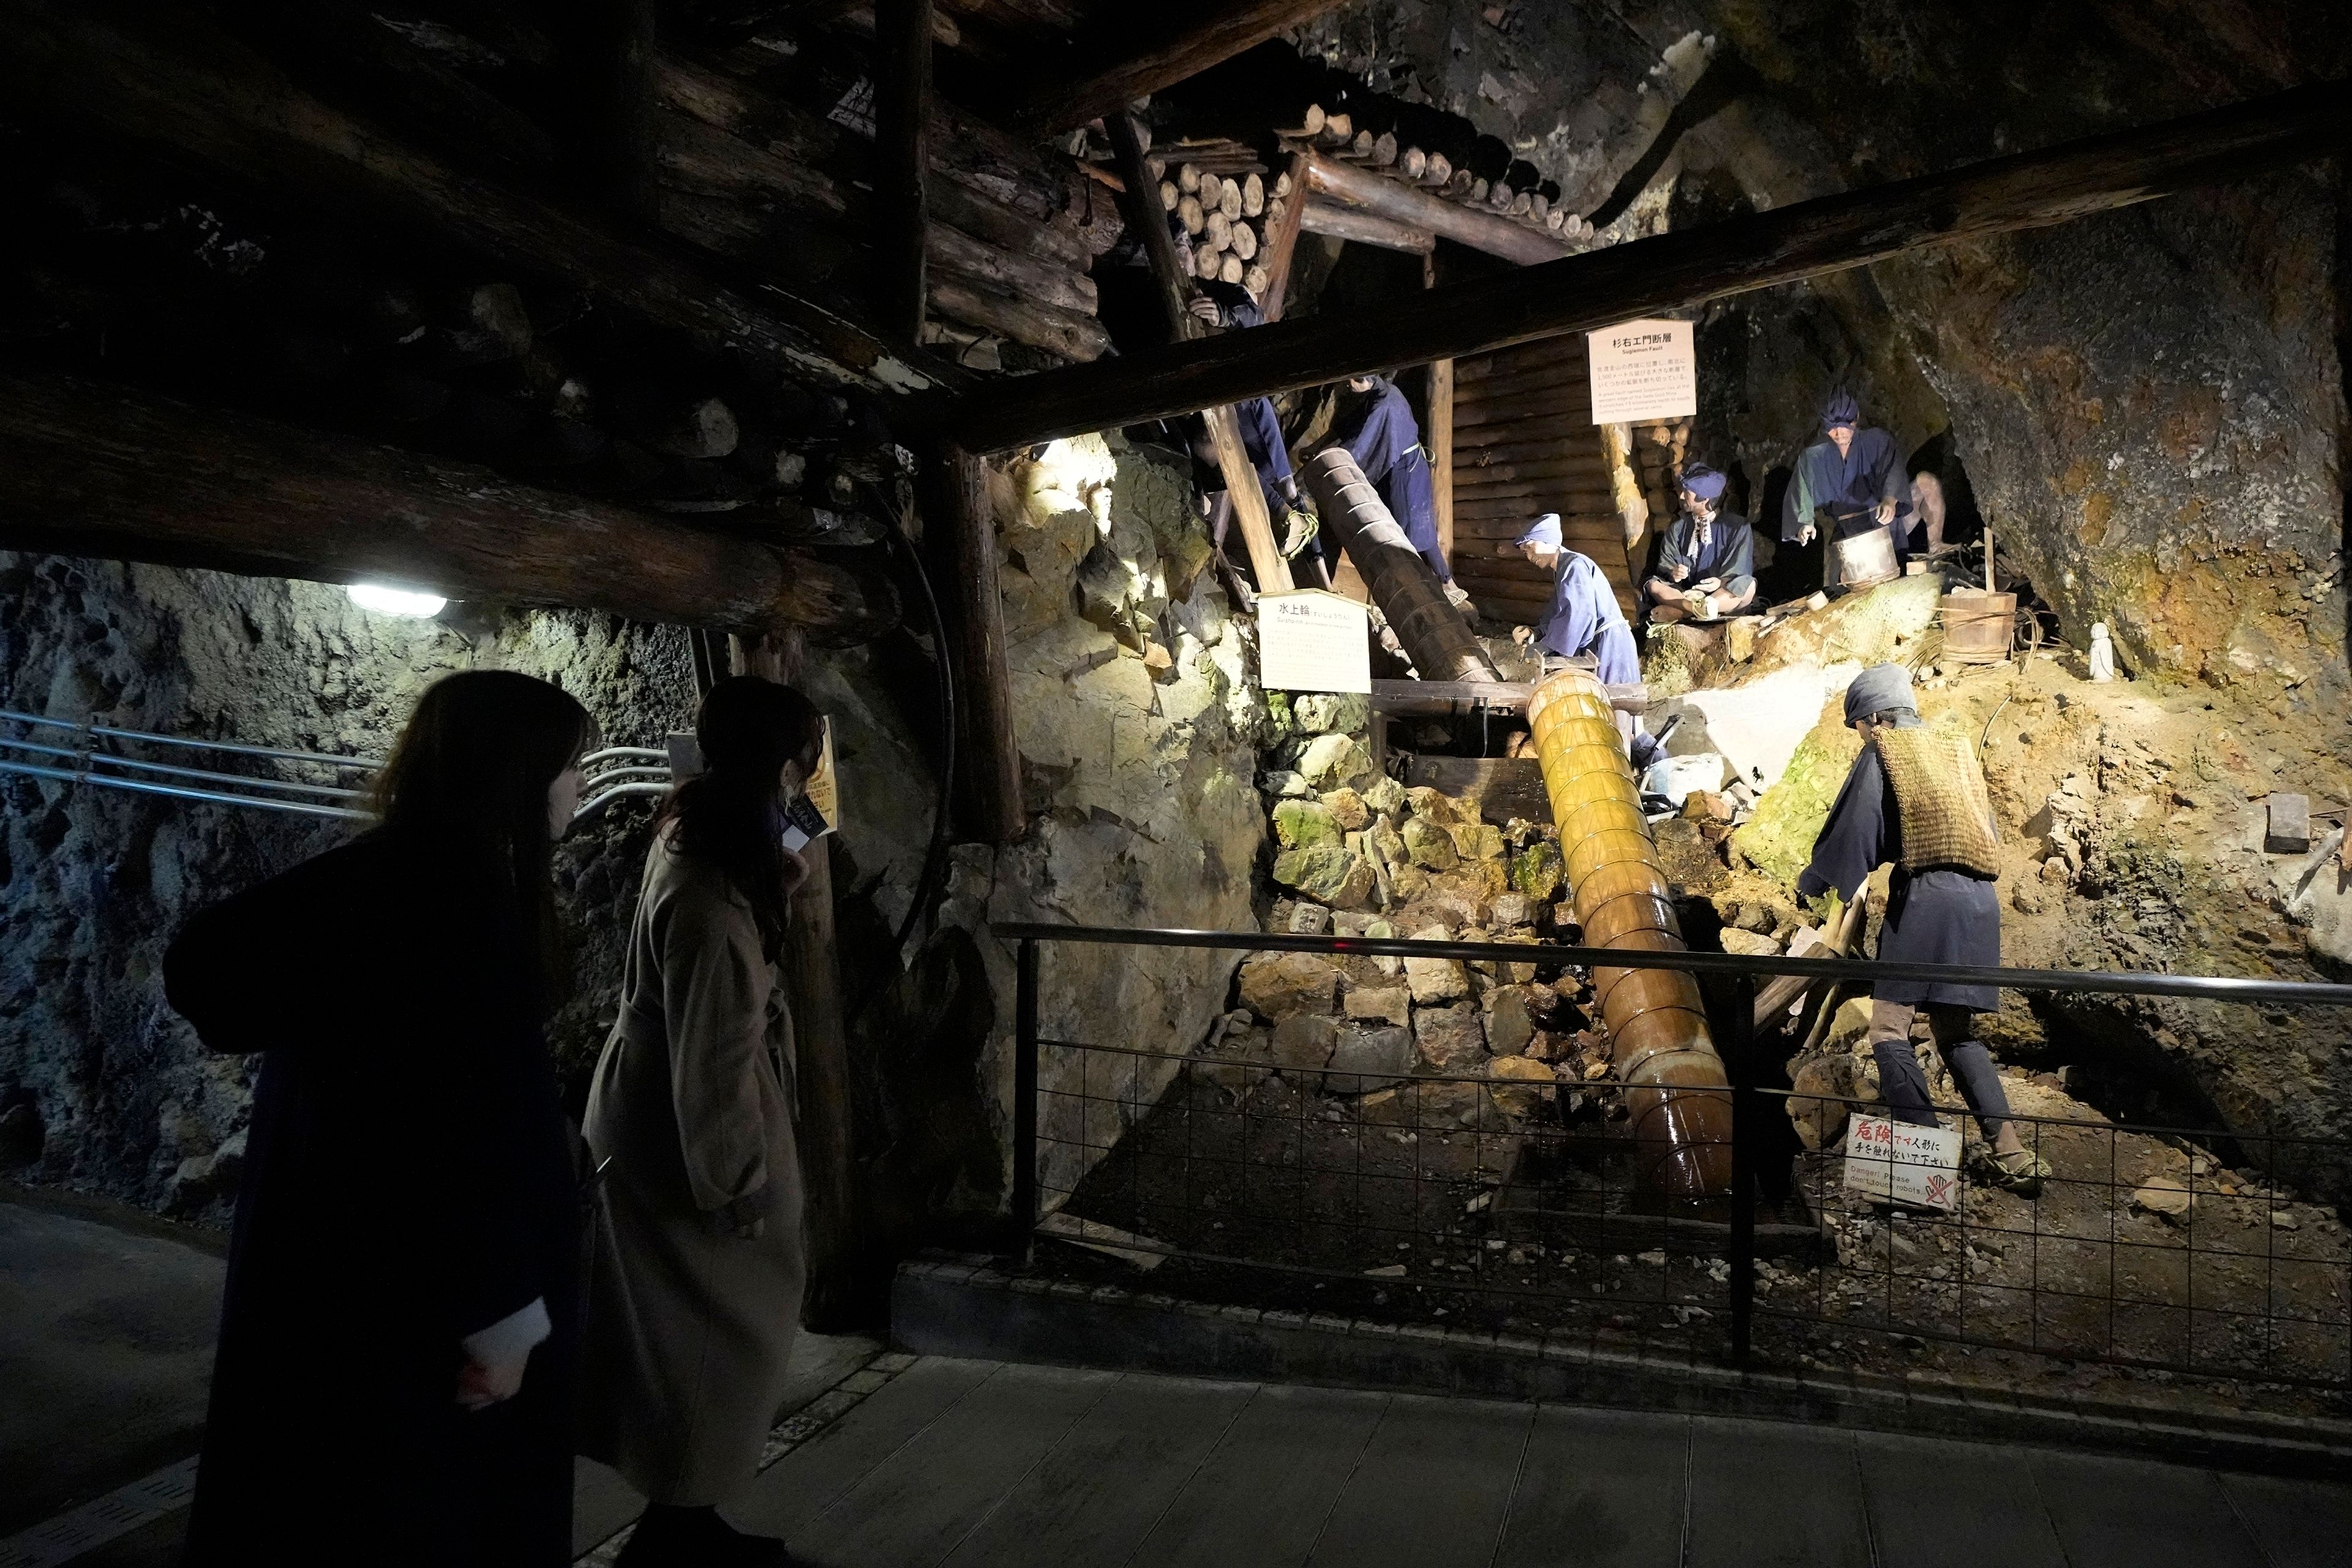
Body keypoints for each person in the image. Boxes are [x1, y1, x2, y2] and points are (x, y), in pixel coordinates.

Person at [165, 671, 597, 1567]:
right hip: (421, 1328)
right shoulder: (454, 907)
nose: (582, 787)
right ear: (516, 774)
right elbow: (459, 1136)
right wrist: (503, 1326)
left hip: (353, 1295)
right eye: (569, 767)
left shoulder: (386, 882)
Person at [578, 676, 826, 1567]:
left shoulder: (695, 829)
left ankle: (685, 1518)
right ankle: (676, 1535)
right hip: (679, 1123)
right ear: (786, 764)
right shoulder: (712, 906)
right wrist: (732, 1182)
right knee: (716, 1329)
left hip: (648, 1101)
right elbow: (713, 1063)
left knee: (696, 1331)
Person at [1796, 664, 2051, 1194]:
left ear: (1873, 716)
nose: (1862, 738)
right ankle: (2012, 1154)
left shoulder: (1885, 750)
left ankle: (1924, 1157)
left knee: (1889, 1028)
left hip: (1929, 900)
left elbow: (1859, 829)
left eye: (1859, 727)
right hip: (1980, 902)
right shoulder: (1957, 751)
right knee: (1956, 1033)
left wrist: (1818, 877)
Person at [1185, 281, 1316, 578]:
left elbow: (1253, 317)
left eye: (1183, 244)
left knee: (1281, 482)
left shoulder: (1222, 290)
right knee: (1218, 459)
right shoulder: (1184, 286)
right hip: (1217, 405)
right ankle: (1289, 520)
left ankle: (1298, 530)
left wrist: (1225, 316)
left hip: (1248, 405)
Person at [1333, 371, 1464, 601]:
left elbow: (1364, 442)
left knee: (1410, 530)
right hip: (1405, 465)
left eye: (1353, 381)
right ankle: (1446, 583)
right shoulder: (1384, 393)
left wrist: (1342, 458)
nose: (1349, 385)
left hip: (1406, 470)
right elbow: (1354, 427)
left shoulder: (1385, 405)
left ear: (1367, 380)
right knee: (1417, 528)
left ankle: (1443, 585)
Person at [1783, 391, 1913, 586]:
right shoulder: (1814, 456)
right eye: (1833, 428)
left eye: (1847, 426)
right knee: (1843, 584)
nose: (1840, 434)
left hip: (1880, 519)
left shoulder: (1877, 441)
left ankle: (1935, 548)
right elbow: (1803, 491)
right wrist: (1805, 522)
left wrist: (1890, 500)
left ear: (1857, 418)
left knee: (1890, 572)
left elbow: (1892, 471)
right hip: (1847, 529)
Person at [1512, 512, 1640, 685]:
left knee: (1613, 703)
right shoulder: (1562, 570)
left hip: (1610, 646)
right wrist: (1536, 632)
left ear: (1547, 540)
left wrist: (1547, 647)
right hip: (1599, 645)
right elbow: (1559, 615)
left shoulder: (1575, 566)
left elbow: (1578, 615)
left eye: (1529, 547)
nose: (1528, 556)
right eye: (1524, 551)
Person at [1643, 462, 1756, 623]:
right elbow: (1666, 564)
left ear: (1704, 498)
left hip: (1720, 596)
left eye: (1687, 492)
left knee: (1748, 586)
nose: (1681, 496)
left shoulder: (1737, 527)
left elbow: (1740, 568)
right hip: (1686, 594)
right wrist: (1673, 572)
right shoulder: (1678, 529)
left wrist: (1720, 582)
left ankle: (1694, 610)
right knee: (1653, 585)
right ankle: (1694, 609)